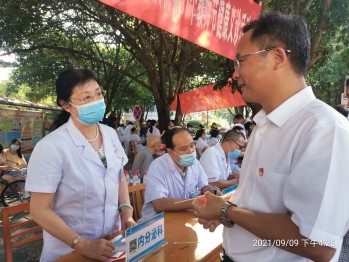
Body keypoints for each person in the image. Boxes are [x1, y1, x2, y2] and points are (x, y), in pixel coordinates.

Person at [193, 12, 349, 262]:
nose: (235, 74)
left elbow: (318, 244)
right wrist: (223, 207)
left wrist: (226, 211)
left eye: (241, 60)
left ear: (277, 57)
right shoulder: (264, 124)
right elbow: (260, 200)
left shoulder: (324, 130)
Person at [25, 68, 136, 261]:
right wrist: (82, 244)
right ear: (65, 104)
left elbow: (118, 177)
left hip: (112, 243)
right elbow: (39, 210)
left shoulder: (110, 134)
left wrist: (127, 214)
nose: (96, 101)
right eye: (86, 98)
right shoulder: (51, 147)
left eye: (98, 94)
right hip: (68, 252)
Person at [141, 127, 218, 221]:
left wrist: (213, 192)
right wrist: (195, 202)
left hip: (185, 217)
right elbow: (159, 204)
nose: (190, 151)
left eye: (192, 145)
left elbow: (203, 186)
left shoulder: (194, 163)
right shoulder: (157, 166)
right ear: (170, 152)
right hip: (158, 224)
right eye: (184, 148)